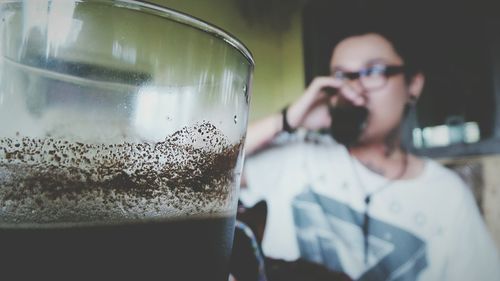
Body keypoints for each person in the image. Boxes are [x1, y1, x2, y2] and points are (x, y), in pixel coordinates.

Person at [240, 21, 500, 281]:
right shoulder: (298, 156)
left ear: (413, 85)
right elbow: (204, 166)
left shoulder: (447, 195)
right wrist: (287, 120)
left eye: (373, 71)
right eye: (341, 75)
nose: (355, 88)